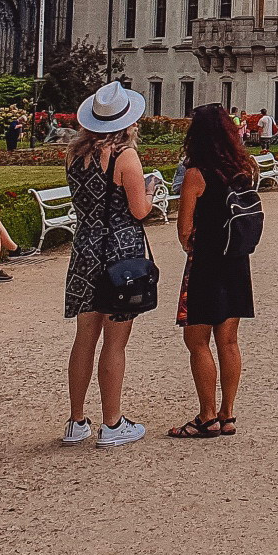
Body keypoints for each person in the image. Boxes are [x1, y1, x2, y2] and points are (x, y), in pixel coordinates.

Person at [62, 80, 157, 449]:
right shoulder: (125, 157)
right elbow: (139, 211)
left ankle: (76, 420)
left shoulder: (74, 155)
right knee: (115, 342)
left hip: (85, 247)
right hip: (120, 252)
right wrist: (150, 190)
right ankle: (112, 423)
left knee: (84, 337)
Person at [168, 105, 256, 440]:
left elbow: (184, 228)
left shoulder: (196, 173)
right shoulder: (242, 168)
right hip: (236, 260)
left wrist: (192, 248)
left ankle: (206, 416)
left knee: (196, 339)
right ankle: (227, 414)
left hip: (207, 262)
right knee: (229, 340)